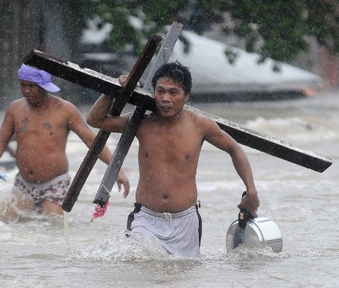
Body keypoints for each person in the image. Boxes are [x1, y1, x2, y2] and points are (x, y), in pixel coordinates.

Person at [86, 61, 260, 257]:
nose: (165, 99)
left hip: (185, 221)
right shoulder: (141, 121)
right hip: (146, 219)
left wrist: (251, 190)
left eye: (173, 93)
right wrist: (115, 90)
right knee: (139, 268)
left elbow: (235, 149)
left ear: (186, 96)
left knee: (182, 281)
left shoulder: (200, 125)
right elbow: (95, 120)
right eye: (160, 91)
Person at [0, 64, 130, 218]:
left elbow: (92, 141)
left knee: (54, 225)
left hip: (55, 184)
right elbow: (1, 140)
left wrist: (116, 169)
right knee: (7, 225)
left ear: (44, 86)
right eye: (23, 85)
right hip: (24, 184)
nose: (27, 90)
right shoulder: (15, 108)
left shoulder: (65, 110)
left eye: (32, 86)